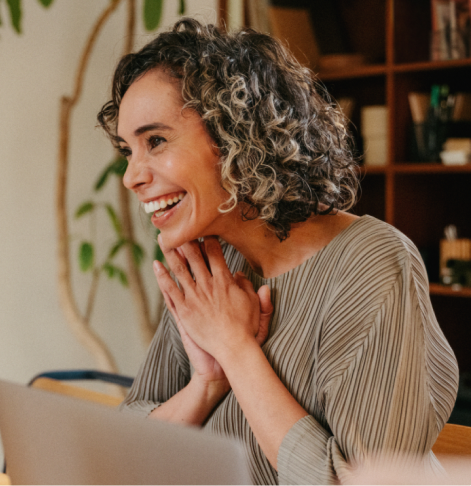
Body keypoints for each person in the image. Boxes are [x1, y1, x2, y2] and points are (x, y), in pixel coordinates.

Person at [97, 18, 459, 486]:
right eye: (128, 150)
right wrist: (206, 385)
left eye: (156, 141)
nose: (131, 177)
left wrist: (236, 349)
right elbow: (125, 452)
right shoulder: (211, 261)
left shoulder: (370, 264)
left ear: (235, 136)